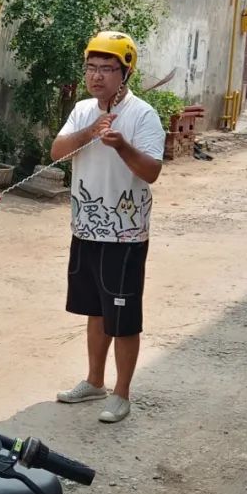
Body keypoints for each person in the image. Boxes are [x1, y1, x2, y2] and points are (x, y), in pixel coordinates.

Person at [51, 31, 164, 424]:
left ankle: (122, 393)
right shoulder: (83, 110)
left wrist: (121, 146)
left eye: (107, 69)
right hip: (85, 228)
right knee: (95, 310)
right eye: (91, 68)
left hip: (125, 235)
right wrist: (91, 131)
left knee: (124, 316)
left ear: (125, 72)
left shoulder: (142, 115)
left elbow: (151, 171)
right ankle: (94, 381)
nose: (97, 76)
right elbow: (56, 152)